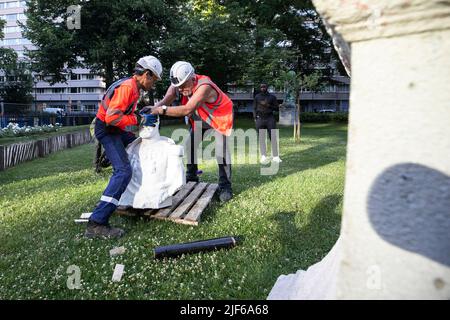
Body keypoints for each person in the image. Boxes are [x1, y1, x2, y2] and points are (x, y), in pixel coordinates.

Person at [85, 55, 163, 239]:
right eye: (155, 80)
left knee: (137, 142)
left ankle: (111, 154)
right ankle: (97, 223)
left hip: (115, 130)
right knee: (123, 171)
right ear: (147, 74)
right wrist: (138, 119)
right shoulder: (128, 88)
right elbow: (112, 117)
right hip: (108, 129)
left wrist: (138, 112)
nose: (154, 84)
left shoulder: (132, 87)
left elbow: (122, 112)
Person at [150, 61, 233, 202]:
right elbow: (166, 99)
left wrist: (160, 110)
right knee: (189, 145)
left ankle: (225, 186)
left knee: (221, 152)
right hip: (201, 117)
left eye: (183, 86)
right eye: (178, 87)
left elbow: (187, 109)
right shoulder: (179, 83)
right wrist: (152, 108)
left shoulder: (204, 86)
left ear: (192, 78)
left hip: (219, 116)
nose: (180, 90)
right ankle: (191, 177)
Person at [253, 83, 282, 164]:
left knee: (273, 137)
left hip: (270, 118)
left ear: (267, 87)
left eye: (264, 87)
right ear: (260, 88)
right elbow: (254, 108)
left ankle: (276, 156)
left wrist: (268, 105)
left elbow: (277, 108)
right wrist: (255, 118)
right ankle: (263, 156)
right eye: (261, 87)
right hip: (260, 119)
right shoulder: (257, 97)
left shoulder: (272, 97)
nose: (262, 88)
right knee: (261, 138)